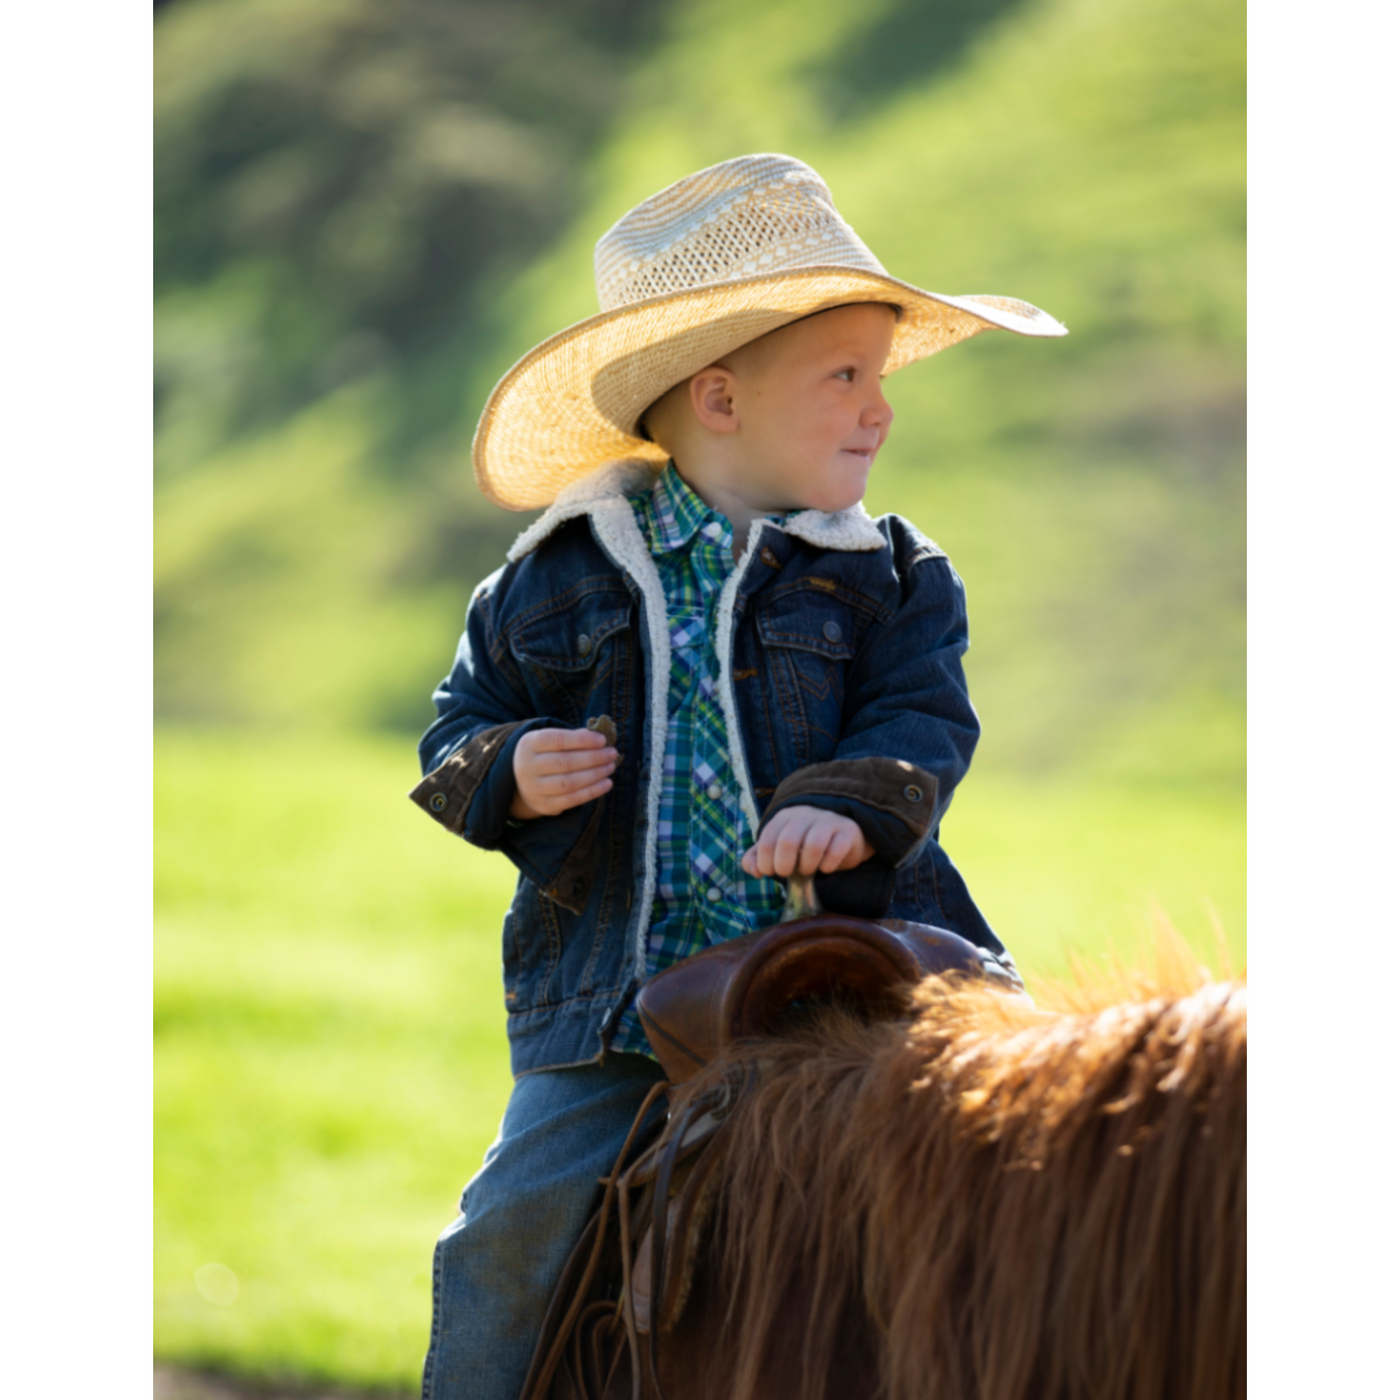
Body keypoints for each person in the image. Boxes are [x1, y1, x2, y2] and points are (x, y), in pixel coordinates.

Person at [408, 153, 1065, 1399]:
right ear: (718, 397)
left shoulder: (892, 576)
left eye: (877, 375)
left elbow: (921, 716)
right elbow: (456, 728)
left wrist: (847, 800)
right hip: (615, 1009)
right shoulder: (549, 581)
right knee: (504, 1239)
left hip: (853, 966)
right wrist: (508, 769)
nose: (879, 408)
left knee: (1033, 1178)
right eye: (846, 375)